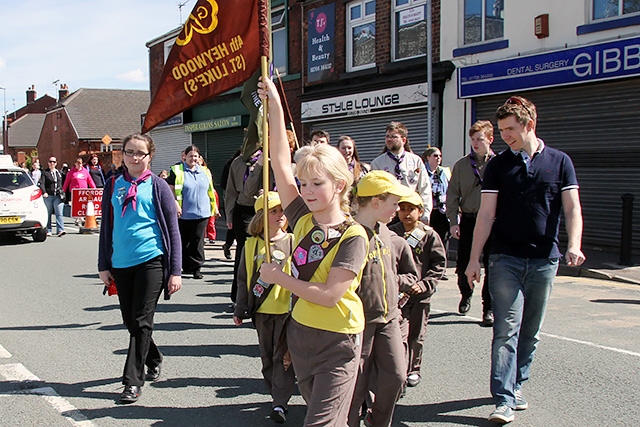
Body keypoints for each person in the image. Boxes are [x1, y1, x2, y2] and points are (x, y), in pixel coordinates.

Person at [465, 96, 585, 424]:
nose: (504, 136)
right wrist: (474, 259)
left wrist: (574, 244)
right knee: (506, 328)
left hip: (545, 259)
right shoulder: (499, 166)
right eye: (501, 130)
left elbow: (572, 207)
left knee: (530, 331)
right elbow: (486, 215)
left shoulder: (560, 162)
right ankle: (502, 399)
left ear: (529, 125)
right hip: (505, 258)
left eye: (510, 129)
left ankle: (517, 384)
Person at [258, 76, 369, 427]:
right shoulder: (304, 219)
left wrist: (279, 278)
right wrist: (275, 104)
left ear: (339, 184)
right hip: (300, 335)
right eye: (303, 183)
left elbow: (328, 295)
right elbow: (278, 160)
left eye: (317, 183)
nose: (306, 190)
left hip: (338, 341)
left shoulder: (354, 236)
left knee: (319, 423)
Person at [97, 133, 182, 404]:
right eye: (130, 152)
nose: (135, 157)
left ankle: (132, 382)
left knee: (142, 320)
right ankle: (153, 356)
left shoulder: (158, 187)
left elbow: (173, 230)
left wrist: (176, 270)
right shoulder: (112, 185)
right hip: (121, 263)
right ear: (122, 154)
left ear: (150, 156)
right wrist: (103, 264)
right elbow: (106, 227)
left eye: (140, 153)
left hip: (151, 260)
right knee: (131, 322)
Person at [347, 170, 417, 427]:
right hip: (359, 323)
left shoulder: (389, 234)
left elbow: (408, 272)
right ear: (376, 202)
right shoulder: (350, 233)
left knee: (397, 375)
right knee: (356, 383)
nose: (398, 209)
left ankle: (377, 421)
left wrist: (396, 285)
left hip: (389, 319)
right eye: (394, 203)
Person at [233, 191, 296, 424]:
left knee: (283, 357)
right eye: (273, 211)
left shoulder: (293, 241)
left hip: (286, 309)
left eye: (282, 211)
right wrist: (240, 308)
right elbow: (243, 279)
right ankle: (274, 393)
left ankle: (280, 401)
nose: (280, 215)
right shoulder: (251, 246)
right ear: (261, 216)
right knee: (267, 356)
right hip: (262, 310)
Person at [389, 191, 446, 389]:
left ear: (420, 211)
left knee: (417, 334)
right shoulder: (392, 232)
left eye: (411, 209)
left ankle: (414, 368)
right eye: (402, 209)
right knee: (398, 333)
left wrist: (425, 284)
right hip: (398, 294)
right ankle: (400, 370)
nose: (406, 214)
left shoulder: (429, 235)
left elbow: (439, 264)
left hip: (420, 295)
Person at [446, 120, 496, 326]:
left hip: (493, 221)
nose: (475, 143)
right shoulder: (462, 165)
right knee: (464, 262)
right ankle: (466, 293)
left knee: (493, 265)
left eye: (480, 139)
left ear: (490, 140)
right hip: (469, 219)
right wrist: (453, 221)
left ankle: (489, 308)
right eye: (473, 140)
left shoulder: (498, 163)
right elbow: (452, 194)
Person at [167, 145, 217, 279]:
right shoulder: (177, 171)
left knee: (197, 241)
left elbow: (210, 191)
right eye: (190, 156)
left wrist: (214, 208)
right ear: (185, 157)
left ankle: (196, 268)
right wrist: (175, 204)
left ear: (199, 158)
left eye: (195, 156)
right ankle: (185, 265)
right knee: (183, 241)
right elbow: (170, 189)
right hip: (183, 213)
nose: (193, 159)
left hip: (202, 213)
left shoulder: (205, 171)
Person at [369, 122, 432, 221]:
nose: (389, 139)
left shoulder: (416, 161)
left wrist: (426, 213)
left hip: (410, 211)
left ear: (403, 140)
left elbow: (425, 188)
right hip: (388, 213)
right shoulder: (377, 163)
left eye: (393, 137)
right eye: (387, 137)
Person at [225, 146, 263, 303]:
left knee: (263, 253)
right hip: (243, 211)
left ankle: (259, 296)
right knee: (243, 253)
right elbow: (231, 191)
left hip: (264, 210)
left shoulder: (268, 161)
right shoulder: (237, 163)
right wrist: (229, 214)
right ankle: (238, 297)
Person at [422, 147, 450, 244]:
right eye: (435, 156)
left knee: (443, 239)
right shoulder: (421, 172)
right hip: (428, 211)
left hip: (442, 211)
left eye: (440, 156)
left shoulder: (444, 172)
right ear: (428, 157)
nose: (438, 158)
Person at [220, 148, 242, 260]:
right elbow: (224, 183)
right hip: (233, 199)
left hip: (246, 201)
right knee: (232, 225)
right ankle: (228, 245)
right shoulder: (231, 165)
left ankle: (228, 245)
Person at [62, 157, 97, 225]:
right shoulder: (71, 172)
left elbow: (90, 180)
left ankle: (79, 219)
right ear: (75, 164)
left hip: (84, 192)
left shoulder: (85, 171)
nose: (79, 165)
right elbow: (66, 182)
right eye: (78, 164)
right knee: (76, 206)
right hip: (75, 192)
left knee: (82, 206)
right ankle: (79, 219)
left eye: (80, 164)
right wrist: (63, 190)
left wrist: (94, 188)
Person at [38, 157, 66, 237]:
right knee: (48, 213)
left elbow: (63, 182)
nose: (52, 163)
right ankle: (48, 230)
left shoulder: (58, 172)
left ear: (56, 163)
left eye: (54, 162)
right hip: (49, 195)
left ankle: (60, 229)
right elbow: (41, 183)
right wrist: (44, 192)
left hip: (58, 196)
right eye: (50, 162)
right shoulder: (45, 173)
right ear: (48, 163)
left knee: (59, 213)